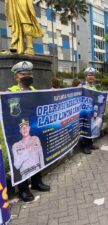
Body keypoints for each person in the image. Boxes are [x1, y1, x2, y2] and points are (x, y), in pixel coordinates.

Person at [8, 61, 50, 202]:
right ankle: (23, 189)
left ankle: (37, 182)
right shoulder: (10, 92)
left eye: (29, 74)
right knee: (22, 158)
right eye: (23, 74)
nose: (27, 76)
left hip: (33, 129)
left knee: (35, 153)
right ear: (16, 77)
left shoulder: (34, 90)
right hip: (17, 131)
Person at [80, 67, 98, 154]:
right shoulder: (82, 85)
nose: (91, 77)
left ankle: (90, 143)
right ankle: (85, 146)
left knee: (91, 127)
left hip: (92, 111)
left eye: (92, 75)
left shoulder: (94, 87)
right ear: (85, 77)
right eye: (89, 75)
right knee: (85, 127)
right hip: (84, 111)